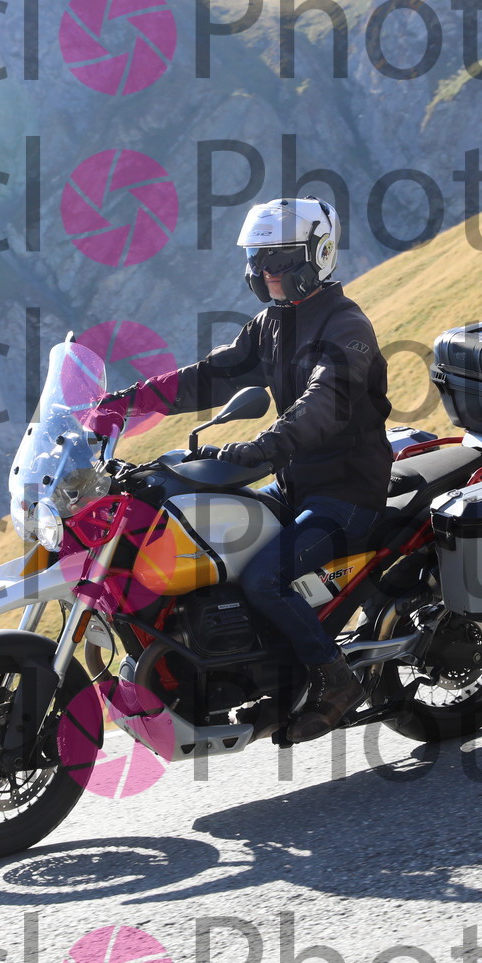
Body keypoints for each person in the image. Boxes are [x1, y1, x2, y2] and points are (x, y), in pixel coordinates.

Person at [84, 197, 392, 743]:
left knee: (264, 578)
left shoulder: (347, 327)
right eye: (257, 258)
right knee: (213, 545)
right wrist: (126, 403)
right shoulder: (273, 324)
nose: (266, 271)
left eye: (279, 258)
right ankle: (258, 676)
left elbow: (323, 403)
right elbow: (209, 376)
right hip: (295, 484)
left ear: (318, 255)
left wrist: (261, 449)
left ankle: (336, 678)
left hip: (346, 493)